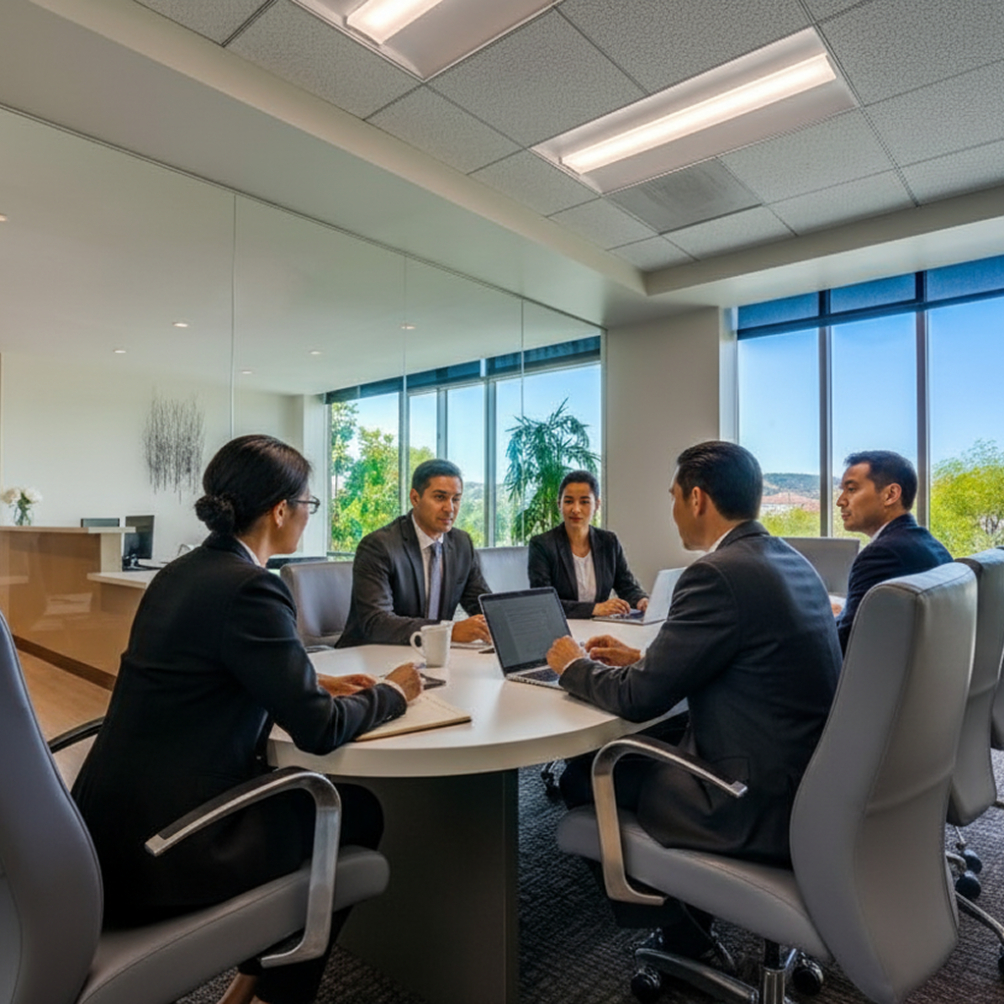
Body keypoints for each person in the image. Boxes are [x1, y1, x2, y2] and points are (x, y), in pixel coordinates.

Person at [72, 435, 422, 1004]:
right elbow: (321, 729)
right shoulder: (252, 587)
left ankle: (245, 990)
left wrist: (309, 679)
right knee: (356, 811)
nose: (308, 517)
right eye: (308, 505)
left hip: (102, 831)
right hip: (173, 846)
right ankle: (271, 998)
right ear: (281, 510)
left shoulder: (184, 572)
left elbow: (211, 671)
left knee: (317, 803)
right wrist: (393, 693)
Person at [545, 441, 840, 956]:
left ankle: (684, 934)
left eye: (674, 496)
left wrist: (573, 665)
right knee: (648, 742)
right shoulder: (789, 560)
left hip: (748, 800)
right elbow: (746, 658)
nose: (674, 508)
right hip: (810, 783)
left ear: (697, 499)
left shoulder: (715, 573)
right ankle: (690, 917)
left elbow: (637, 701)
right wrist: (646, 660)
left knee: (583, 772)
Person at [337, 458, 492, 647]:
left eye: (456, 499)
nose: (449, 508)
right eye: (440, 497)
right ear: (415, 498)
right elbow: (377, 623)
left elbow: (484, 606)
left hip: (432, 656)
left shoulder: (461, 543)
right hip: (369, 658)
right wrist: (449, 631)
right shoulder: (379, 546)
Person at [835, 450, 952, 651]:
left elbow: (842, 646)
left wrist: (819, 619)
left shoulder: (883, 555)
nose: (840, 501)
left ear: (890, 495)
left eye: (851, 489)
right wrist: (844, 612)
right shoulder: (930, 545)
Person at [527, 470, 648, 619]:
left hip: (601, 627)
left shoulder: (609, 542)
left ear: (596, 505)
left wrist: (641, 600)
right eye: (568, 501)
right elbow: (543, 602)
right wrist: (595, 609)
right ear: (559, 504)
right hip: (562, 627)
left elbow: (627, 586)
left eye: (584, 502)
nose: (576, 509)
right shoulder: (542, 545)